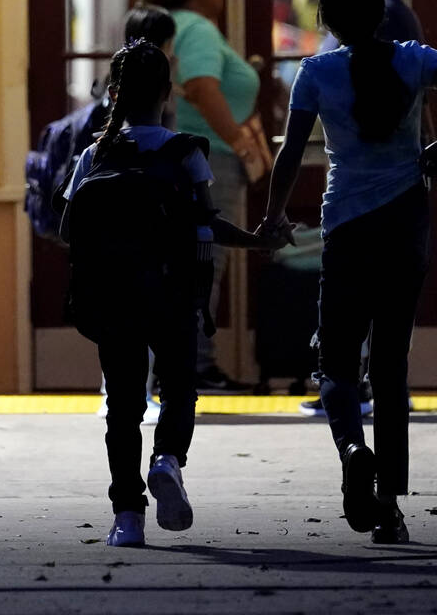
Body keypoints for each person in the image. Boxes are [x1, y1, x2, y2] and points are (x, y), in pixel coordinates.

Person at [258, 0, 437, 543]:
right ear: (381, 9)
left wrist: (274, 216)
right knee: (390, 365)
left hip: (348, 229)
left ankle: (353, 449)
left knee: (336, 361)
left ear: (327, 19)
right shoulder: (415, 60)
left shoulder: (315, 73)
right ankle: (389, 505)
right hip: (406, 223)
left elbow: (288, 158)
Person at [60, 39, 282, 548]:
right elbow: (208, 223)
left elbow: (71, 227)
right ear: (166, 92)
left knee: (122, 406)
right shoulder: (184, 153)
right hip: (174, 296)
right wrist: (255, 241)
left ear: (112, 93)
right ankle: (166, 459)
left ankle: (126, 517)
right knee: (179, 389)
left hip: (114, 300)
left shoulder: (93, 155)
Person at [304, 0, 426, 419]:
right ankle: (365, 394)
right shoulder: (401, 20)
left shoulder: (385, 21)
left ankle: (355, 397)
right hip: (390, 183)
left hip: (368, 185)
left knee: (356, 298)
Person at [139, 0, 267, 392]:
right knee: (203, 260)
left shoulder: (184, 27)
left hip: (195, 155)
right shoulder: (197, 29)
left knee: (194, 260)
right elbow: (200, 86)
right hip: (206, 160)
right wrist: (238, 139)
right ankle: (195, 366)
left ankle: (191, 362)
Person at [94, 4, 180, 425]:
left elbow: (70, 219)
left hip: (111, 263)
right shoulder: (178, 144)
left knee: (119, 338)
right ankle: (151, 404)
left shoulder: (99, 143)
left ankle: (116, 393)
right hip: (160, 262)